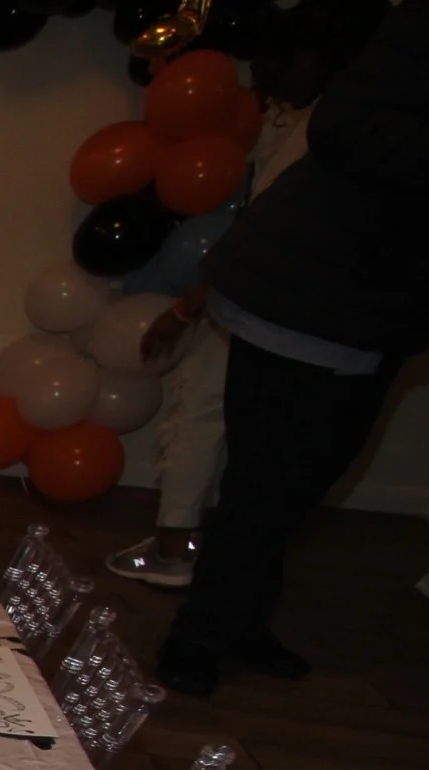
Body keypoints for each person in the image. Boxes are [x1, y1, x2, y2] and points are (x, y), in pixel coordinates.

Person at [154, 0, 429, 696]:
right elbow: (347, 125)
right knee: (269, 482)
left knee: (297, 481)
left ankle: (237, 622)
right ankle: (199, 634)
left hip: (362, 304)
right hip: (314, 289)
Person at [107, 2, 376, 591]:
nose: (266, 75)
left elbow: (267, 232)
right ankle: (200, 551)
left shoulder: (326, 132)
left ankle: (178, 547)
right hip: (291, 311)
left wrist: (188, 306)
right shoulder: (334, 124)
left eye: (282, 61)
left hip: (269, 308)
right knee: (240, 436)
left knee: (203, 413)